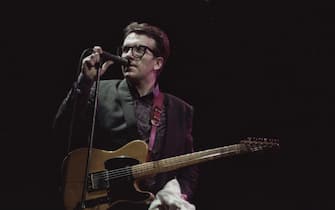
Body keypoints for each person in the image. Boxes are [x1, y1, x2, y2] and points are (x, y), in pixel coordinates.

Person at [53, 22, 199, 210]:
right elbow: (61, 130)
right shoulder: (98, 90)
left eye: (139, 49)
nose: (128, 55)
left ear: (158, 62)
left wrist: (177, 193)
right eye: (125, 49)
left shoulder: (181, 110)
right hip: (103, 203)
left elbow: (189, 168)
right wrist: (85, 82)